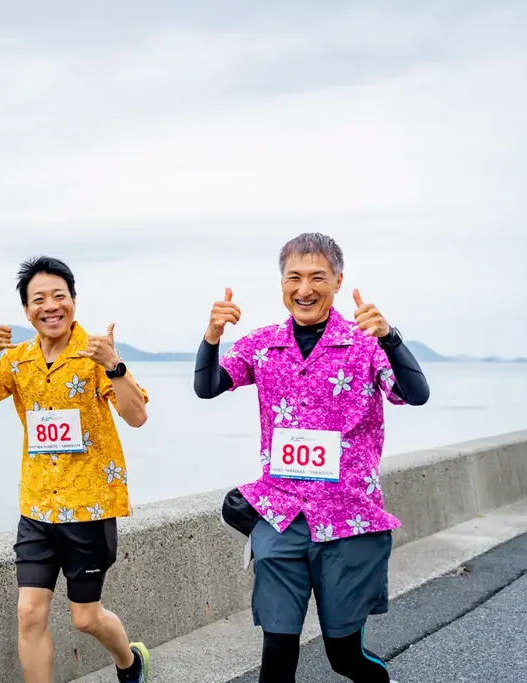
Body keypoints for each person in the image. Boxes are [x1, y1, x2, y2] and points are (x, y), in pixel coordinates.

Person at [193, 233, 429, 683]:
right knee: (276, 653)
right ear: (282, 282)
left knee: (344, 657)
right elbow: (207, 387)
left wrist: (391, 337)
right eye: (294, 277)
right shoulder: (263, 344)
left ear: (338, 281)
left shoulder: (365, 343)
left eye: (317, 277)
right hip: (282, 516)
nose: (304, 289)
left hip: (348, 518)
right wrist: (212, 336)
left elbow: (415, 394)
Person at [0, 255, 152, 683]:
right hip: (36, 507)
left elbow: (137, 416)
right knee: (29, 614)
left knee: (86, 618)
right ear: (27, 310)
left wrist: (114, 366)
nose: (50, 306)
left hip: (88, 508)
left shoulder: (94, 354)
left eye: (59, 296)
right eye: (39, 299)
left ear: (73, 301)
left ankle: (130, 660)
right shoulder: (18, 360)